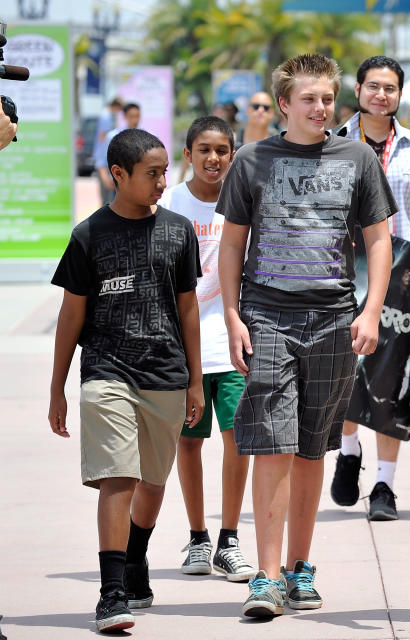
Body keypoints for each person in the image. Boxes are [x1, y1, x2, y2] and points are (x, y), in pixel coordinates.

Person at [218, 53, 395, 619]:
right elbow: (231, 243)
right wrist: (232, 315)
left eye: (327, 99)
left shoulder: (358, 157)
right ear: (285, 104)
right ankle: (266, 578)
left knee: (312, 445)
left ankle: (299, 568)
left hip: (334, 320)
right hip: (267, 315)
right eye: (309, 99)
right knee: (270, 441)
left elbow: (377, 239)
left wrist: (370, 311)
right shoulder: (252, 160)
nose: (321, 109)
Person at [47, 128, 203, 633]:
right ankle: (111, 591)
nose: (162, 182)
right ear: (119, 174)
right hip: (106, 371)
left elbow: (188, 310)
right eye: (152, 174)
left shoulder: (179, 231)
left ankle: (137, 556)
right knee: (118, 475)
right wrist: (58, 389)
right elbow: (71, 317)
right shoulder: (88, 236)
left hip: (165, 375)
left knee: (153, 482)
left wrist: (195, 381)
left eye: (164, 172)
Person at [158, 116, 257, 583]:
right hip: (181, 350)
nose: (213, 159)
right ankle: (198, 537)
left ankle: (229, 540)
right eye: (204, 150)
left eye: (221, 150)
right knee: (189, 443)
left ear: (232, 155)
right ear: (188, 154)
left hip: (233, 342)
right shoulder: (169, 203)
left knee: (238, 441)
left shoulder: (243, 201)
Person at [331, 55, 410, 521]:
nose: (381, 95)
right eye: (373, 86)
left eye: (390, 88)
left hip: (406, 270)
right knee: (345, 368)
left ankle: (385, 485)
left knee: (393, 379)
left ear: (399, 95)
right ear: (358, 89)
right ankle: (348, 451)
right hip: (344, 268)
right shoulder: (333, 144)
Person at [95, 103, 142, 205]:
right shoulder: (113, 136)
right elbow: (101, 160)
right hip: (115, 185)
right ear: (125, 116)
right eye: (131, 116)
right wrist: (105, 179)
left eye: (137, 116)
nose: (135, 120)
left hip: (137, 185)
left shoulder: (145, 138)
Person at [93, 97, 123, 201]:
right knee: (107, 196)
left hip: (104, 158)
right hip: (103, 159)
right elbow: (102, 137)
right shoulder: (106, 116)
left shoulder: (106, 114)